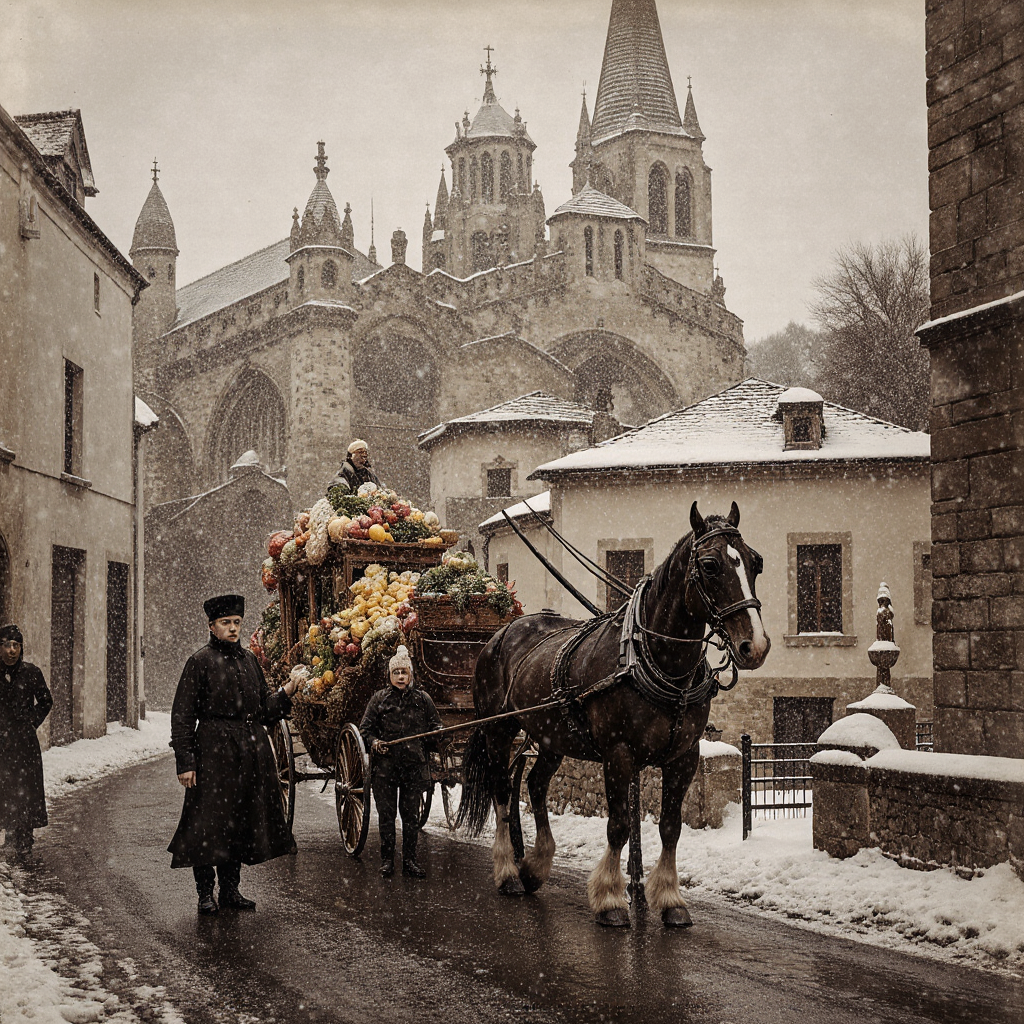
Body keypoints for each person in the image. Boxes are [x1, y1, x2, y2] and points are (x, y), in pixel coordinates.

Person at [168, 595, 300, 915]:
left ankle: (230, 891)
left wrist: (287, 692)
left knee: (239, 822)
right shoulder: (199, 662)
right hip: (212, 753)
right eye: (225, 623)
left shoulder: (250, 661)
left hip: (250, 752)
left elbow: (265, 710)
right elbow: (182, 716)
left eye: (237, 622)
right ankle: (205, 894)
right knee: (208, 825)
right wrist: (186, 762)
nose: (232, 628)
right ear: (212, 627)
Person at [359, 645, 441, 879]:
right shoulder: (380, 699)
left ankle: (410, 861)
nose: (401, 677)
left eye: (404, 672)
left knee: (410, 817)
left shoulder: (423, 699)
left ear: (411, 675)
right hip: (385, 768)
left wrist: (436, 734)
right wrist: (374, 742)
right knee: (387, 816)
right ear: (390, 676)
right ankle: (387, 861)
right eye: (396, 673)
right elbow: (365, 730)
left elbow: (436, 725)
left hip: (412, 768)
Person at [0, 624, 53, 862]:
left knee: (27, 789)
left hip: (24, 743)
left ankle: (25, 836)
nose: (12, 650)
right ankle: (10, 833)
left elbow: (45, 701)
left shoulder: (31, 672)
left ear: (21, 648)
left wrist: (30, 722)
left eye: (16, 645)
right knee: (6, 788)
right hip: (2, 742)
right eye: (7, 645)